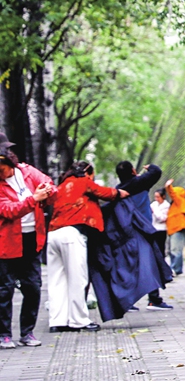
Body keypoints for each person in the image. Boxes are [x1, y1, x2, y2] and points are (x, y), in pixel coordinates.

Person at [45, 161, 126, 332]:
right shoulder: (82, 181)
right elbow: (104, 192)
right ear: (87, 172)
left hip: (53, 235)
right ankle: (79, 320)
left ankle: (57, 321)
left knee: (57, 280)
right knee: (78, 278)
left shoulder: (62, 186)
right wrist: (119, 193)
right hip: (72, 234)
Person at [90, 162, 174, 318]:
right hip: (143, 231)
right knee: (150, 263)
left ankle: (127, 301)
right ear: (134, 171)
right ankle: (154, 299)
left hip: (125, 233)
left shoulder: (119, 190)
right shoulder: (140, 182)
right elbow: (157, 172)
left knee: (126, 266)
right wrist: (149, 167)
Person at [0, 141, 54, 349]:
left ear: (9, 162)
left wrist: (47, 190)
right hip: (8, 241)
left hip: (32, 238)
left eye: (2, 169)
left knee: (33, 286)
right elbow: (8, 211)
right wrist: (34, 199)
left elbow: (49, 184)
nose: (1, 173)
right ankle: (4, 333)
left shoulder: (28, 172)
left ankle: (27, 332)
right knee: (5, 289)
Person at [163, 177, 185, 275]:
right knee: (173, 249)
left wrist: (168, 186)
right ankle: (176, 268)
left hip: (178, 228)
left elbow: (173, 194)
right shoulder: (176, 205)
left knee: (175, 250)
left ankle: (175, 269)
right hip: (174, 229)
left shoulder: (180, 201)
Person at [151, 189, 169, 261]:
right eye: (155, 197)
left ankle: (162, 263)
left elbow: (162, 218)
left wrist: (154, 211)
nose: (156, 199)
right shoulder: (154, 204)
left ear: (163, 197)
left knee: (161, 247)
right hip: (153, 228)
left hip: (161, 229)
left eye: (158, 197)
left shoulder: (166, 206)